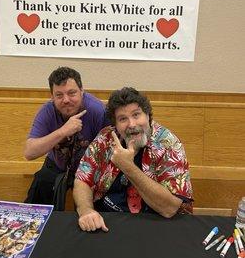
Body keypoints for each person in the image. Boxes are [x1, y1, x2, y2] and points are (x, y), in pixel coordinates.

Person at [73, 87, 193, 232]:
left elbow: (169, 208)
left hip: (157, 226)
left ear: (148, 115)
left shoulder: (168, 144)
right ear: (115, 125)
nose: (131, 124)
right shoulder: (106, 138)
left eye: (136, 115)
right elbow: (82, 179)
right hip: (108, 222)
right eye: (123, 119)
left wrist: (127, 167)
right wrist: (86, 210)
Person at [24, 67, 108, 207]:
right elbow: (29, 153)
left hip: (89, 168)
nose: (66, 100)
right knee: (39, 189)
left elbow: (110, 149)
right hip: (56, 164)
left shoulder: (97, 110)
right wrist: (62, 131)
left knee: (94, 207)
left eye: (72, 93)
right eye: (59, 95)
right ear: (52, 97)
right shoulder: (47, 111)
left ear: (82, 91)